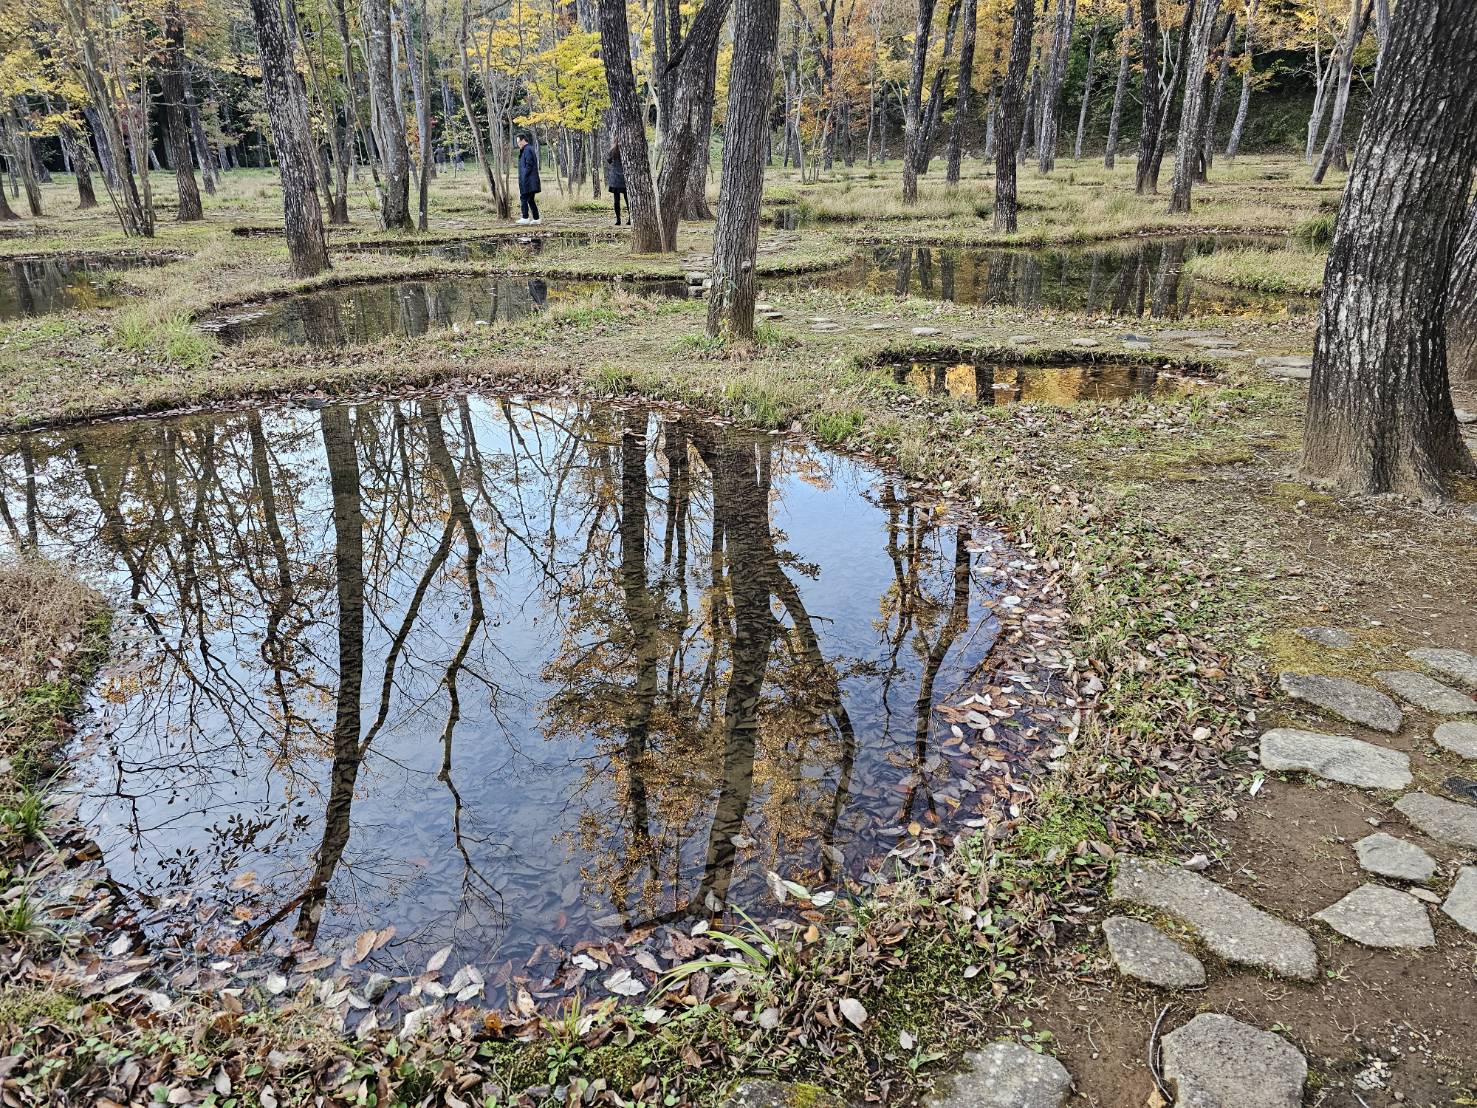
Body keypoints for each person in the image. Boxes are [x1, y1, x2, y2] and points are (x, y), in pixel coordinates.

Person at [516, 133, 541, 225]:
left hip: (528, 180)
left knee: (523, 197)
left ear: (523, 140)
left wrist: (524, 177)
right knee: (530, 199)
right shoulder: (527, 149)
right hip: (530, 180)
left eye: (519, 142)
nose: (518, 144)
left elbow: (529, 164)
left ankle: (525, 217)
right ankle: (536, 218)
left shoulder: (527, 150)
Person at [605, 144, 627, 225]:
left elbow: (609, 161)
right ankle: (630, 219)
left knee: (616, 200)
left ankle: (618, 220)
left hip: (615, 177)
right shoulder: (627, 147)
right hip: (625, 177)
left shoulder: (612, 150)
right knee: (627, 199)